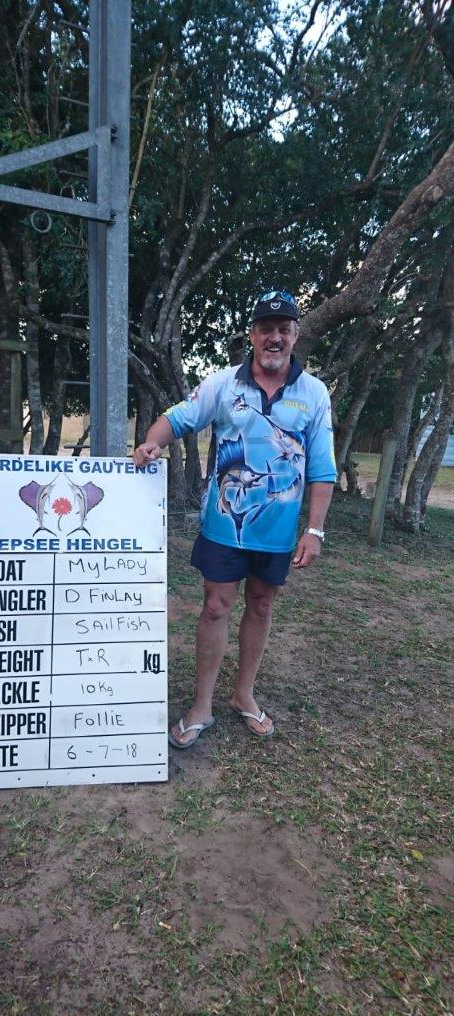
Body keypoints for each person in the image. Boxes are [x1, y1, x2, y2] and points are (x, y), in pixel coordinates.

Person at [132, 290, 337, 748]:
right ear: (252, 334)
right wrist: (151, 443)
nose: (274, 337)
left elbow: (323, 469)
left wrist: (314, 530)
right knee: (215, 607)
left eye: (284, 329)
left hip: (278, 533)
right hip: (223, 526)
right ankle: (201, 705)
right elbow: (177, 419)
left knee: (261, 606)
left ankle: (243, 695)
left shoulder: (314, 393)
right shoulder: (224, 384)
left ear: (295, 335)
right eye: (266, 328)